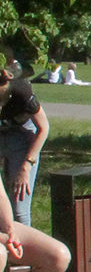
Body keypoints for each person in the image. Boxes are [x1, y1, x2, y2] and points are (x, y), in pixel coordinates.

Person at [0, 66, 48, 225]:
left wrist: (26, 167)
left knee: (19, 209)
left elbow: (44, 128)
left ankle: (22, 239)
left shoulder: (22, 91)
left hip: (23, 137)